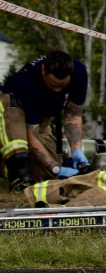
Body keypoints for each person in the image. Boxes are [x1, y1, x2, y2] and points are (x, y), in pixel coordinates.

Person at [0, 50, 90, 191]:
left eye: (62, 86)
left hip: (42, 118)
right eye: (53, 85)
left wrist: (77, 150)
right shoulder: (28, 82)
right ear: (43, 71)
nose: (57, 90)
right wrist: (54, 168)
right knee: (19, 151)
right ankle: (17, 176)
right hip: (13, 109)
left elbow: (74, 113)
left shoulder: (79, 73)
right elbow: (32, 134)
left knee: (48, 176)